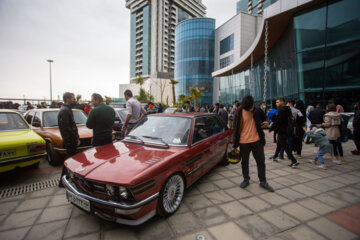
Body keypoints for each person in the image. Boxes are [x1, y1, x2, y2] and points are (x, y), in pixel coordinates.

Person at [232, 95, 274, 192]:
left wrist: (267, 122)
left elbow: (266, 119)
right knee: (244, 162)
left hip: (257, 141)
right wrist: (234, 144)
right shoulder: (238, 112)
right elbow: (235, 129)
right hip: (243, 142)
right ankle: (246, 179)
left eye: (251, 107)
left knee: (261, 162)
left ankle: (263, 181)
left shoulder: (257, 110)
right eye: (248, 108)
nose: (250, 109)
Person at [269, 98, 299, 168]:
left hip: (282, 130)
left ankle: (294, 160)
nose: (276, 103)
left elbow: (278, 121)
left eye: (278, 102)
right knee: (279, 144)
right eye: (276, 102)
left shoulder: (282, 110)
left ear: (282, 102)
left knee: (284, 145)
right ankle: (275, 156)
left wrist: (272, 128)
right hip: (284, 130)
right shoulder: (286, 109)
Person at [58, 92, 79, 187]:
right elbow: (66, 127)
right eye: (73, 98)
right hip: (70, 140)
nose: (74, 100)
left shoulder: (67, 110)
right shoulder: (65, 111)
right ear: (67, 99)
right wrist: (74, 137)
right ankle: (63, 181)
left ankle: (67, 179)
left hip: (70, 139)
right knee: (69, 161)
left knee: (71, 160)